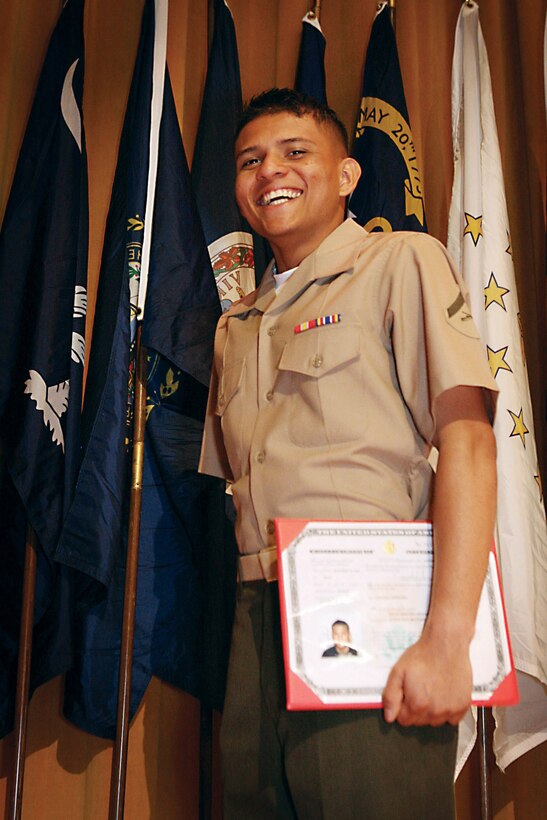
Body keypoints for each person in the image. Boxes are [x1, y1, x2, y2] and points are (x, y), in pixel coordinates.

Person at [199, 88, 498, 819]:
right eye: (250, 160)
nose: (270, 170)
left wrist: (446, 640)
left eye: (295, 152)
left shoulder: (399, 261)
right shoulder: (235, 323)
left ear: (345, 175)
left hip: (371, 613)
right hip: (252, 615)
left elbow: (466, 441)